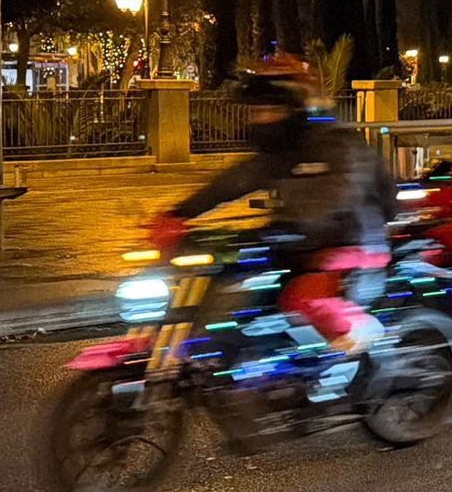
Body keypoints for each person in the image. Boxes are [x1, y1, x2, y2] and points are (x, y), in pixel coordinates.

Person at [147, 56, 396, 363]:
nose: (263, 118)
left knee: (301, 299)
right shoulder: (281, 151)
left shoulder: (336, 143)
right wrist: (179, 215)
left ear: (293, 111)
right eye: (257, 111)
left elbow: (340, 192)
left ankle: (361, 337)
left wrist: (293, 228)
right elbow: (234, 182)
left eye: (271, 110)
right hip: (297, 246)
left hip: (350, 244)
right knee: (235, 282)